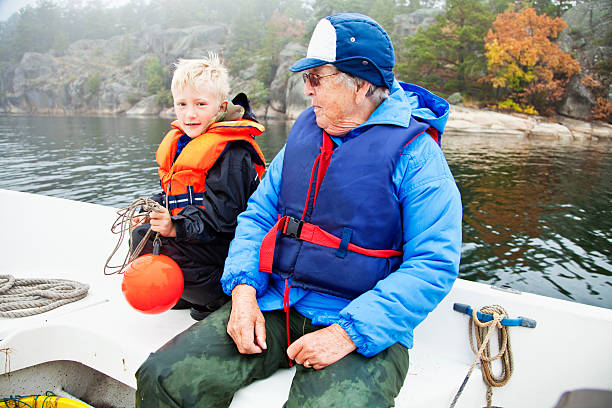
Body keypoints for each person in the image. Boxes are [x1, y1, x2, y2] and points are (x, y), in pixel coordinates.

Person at [135, 13, 462, 407]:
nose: (307, 91)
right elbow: (258, 216)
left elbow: (433, 263)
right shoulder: (306, 138)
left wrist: (348, 333)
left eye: (316, 78)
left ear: (360, 85)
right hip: (277, 301)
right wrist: (242, 292)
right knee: (163, 377)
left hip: (360, 321)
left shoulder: (417, 157)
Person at [130, 54, 266, 321]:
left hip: (228, 252)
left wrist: (175, 227)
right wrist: (155, 208)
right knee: (141, 236)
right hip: (203, 240)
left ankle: (216, 299)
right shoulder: (185, 140)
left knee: (158, 242)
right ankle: (183, 293)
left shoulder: (232, 151)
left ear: (220, 106)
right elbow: (178, 193)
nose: (189, 114)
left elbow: (225, 222)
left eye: (200, 104)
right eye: (182, 104)